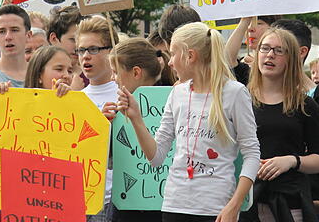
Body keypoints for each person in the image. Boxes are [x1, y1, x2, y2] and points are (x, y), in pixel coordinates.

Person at [117, 22, 260, 221]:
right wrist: (136, 119)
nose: (169, 62)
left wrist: (234, 206)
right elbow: (156, 157)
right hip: (174, 206)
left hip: (216, 209)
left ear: (190, 56)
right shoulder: (177, 93)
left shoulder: (234, 93)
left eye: (173, 53)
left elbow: (252, 154)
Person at [242, 27, 319, 222]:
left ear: (291, 59)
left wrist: (291, 161)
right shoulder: (240, 99)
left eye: (278, 50)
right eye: (264, 48)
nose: (270, 55)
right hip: (246, 201)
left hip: (289, 204)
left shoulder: (305, 104)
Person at [108, 38, 173, 222]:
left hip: (162, 209)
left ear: (136, 72)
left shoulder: (173, 100)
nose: (112, 79)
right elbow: (110, 160)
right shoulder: (117, 109)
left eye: (115, 72)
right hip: (127, 207)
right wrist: (105, 125)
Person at [77, 17, 119, 222]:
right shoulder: (75, 99)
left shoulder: (127, 96)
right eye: (81, 50)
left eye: (93, 49)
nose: (85, 57)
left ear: (111, 51)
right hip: (79, 201)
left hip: (113, 201)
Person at [0, 45, 72, 96]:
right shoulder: (20, 103)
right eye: (59, 69)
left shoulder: (77, 103)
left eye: (69, 71)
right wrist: (2, 96)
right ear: (39, 75)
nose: (66, 75)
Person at [225, 16, 281, 85]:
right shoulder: (244, 65)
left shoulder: (280, 65)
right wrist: (244, 22)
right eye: (248, 24)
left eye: (259, 23)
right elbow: (227, 59)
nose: (250, 28)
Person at [47, 5, 84, 88]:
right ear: (53, 38)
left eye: (82, 40)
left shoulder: (92, 76)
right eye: (73, 39)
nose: (79, 46)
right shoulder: (41, 76)